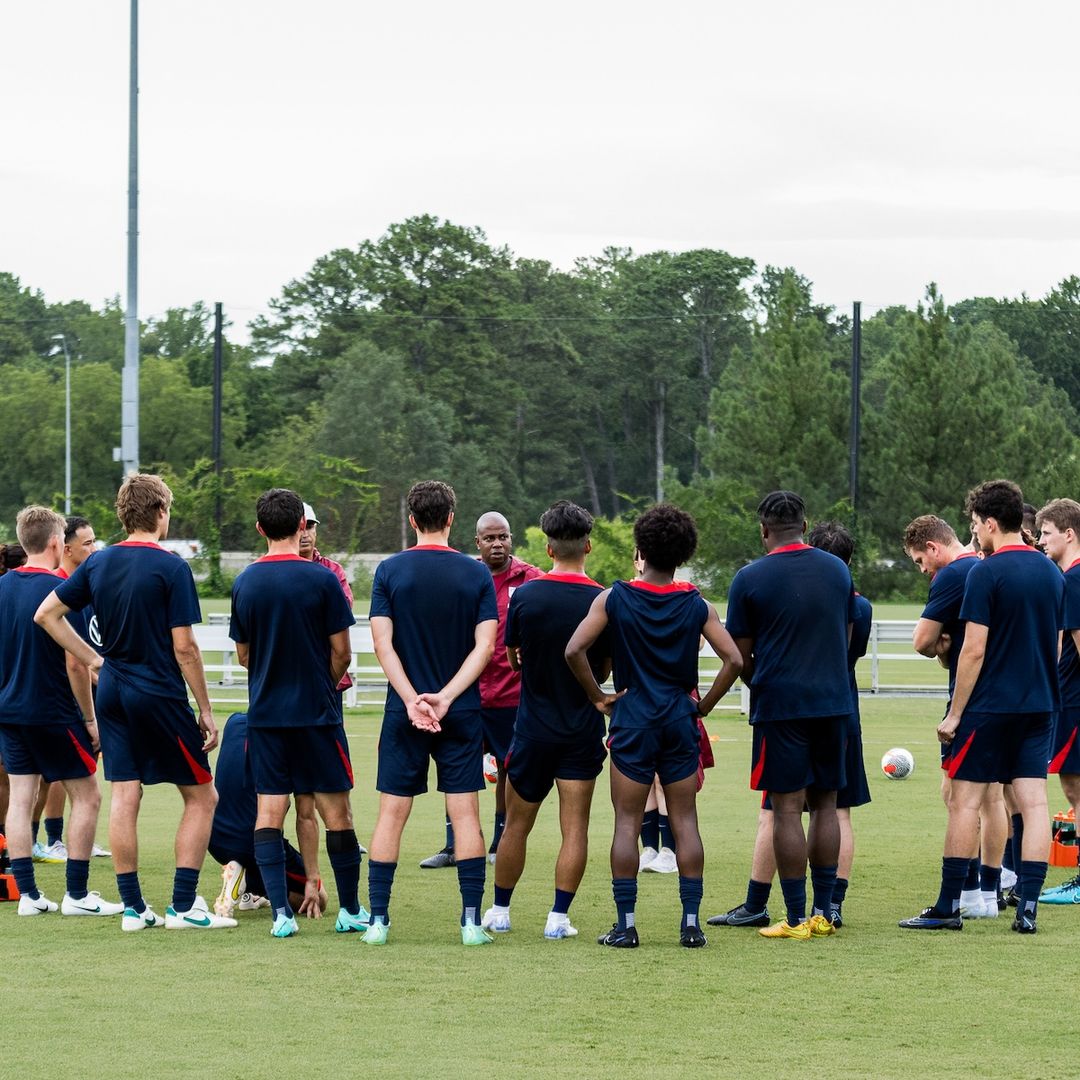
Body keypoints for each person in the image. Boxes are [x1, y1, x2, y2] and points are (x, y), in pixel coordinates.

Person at [35, 473, 236, 931]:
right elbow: (185, 646)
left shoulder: (99, 563)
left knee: (126, 794)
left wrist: (94, 660)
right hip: (158, 694)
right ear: (161, 512)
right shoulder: (171, 566)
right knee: (203, 796)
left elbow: (46, 614)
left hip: (113, 694)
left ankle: (133, 909)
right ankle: (184, 906)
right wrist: (205, 709)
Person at [566, 503, 743, 949]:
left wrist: (597, 697)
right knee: (685, 820)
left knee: (627, 822)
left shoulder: (614, 597)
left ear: (640, 550)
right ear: (683, 554)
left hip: (633, 718)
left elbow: (574, 651)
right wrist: (702, 707)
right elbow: (735, 660)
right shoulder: (696, 604)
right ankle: (690, 924)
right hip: (678, 718)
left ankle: (626, 925)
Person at [901, 480, 1063, 933]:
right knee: (1033, 804)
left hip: (989, 707)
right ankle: (1027, 909)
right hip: (1040, 705)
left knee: (965, 803)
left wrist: (955, 714)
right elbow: (1053, 645)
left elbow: (972, 650)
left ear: (990, 523)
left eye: (975, 524)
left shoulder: (984, 573)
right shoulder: (1052, 572)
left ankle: (949, 906)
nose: (975, 533)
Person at [707, 520, 871, 930]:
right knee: (828, 808)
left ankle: (795, 915)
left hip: (782, 708)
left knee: (784, 811)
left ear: (764, 529)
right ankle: (824, 911)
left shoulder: (751, 576)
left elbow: (739, 654)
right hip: (835, 705)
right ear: (802, 525)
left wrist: (761, 686)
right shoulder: (838, 572)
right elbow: (847, 641)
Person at [366, 480, 498, 945]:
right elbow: (485, 647)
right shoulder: (477, 573)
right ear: (450, 520)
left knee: (390, 816)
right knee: (465, 816)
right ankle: (469, 923)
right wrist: (445, 697)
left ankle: (379, 922)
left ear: (412, 520)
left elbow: (383, 645)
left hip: (404, 713)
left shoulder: (389, 571)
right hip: (460, 712)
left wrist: (411, 699)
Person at [229, 488, 359, 938]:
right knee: (336, 813)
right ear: (302, 527)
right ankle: (352, 911)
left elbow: (244, 654)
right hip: (317, 716)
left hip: (265, 716)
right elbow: (342, 651)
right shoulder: (322, 580)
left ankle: (281, 914)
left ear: (261, 529)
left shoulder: (245, 581)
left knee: (269, 811)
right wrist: (320, 683)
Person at [479, 501, 609, 939]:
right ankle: (558, 917)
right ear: (587, 546)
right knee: (575, 827)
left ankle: (499, 910)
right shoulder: (602, 600)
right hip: (582, 729)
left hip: (532, 728)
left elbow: (513, 658)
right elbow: (603, 670)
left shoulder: (526, 595)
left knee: (517, 823)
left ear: (549, 548)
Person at [0, 506, 121, 918]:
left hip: (10, 711)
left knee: (20, 798)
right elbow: (78, 663)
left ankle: (30, 896)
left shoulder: (1, 587)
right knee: (87, 796)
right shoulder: (65, 591)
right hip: (53, 711)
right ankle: (77, 894)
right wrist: (90, 720)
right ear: (56, 543)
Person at [421, 511, 541, 869]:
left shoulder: (531, 578)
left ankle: (499, 842)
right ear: (477, 542)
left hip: (512, 694)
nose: (497, 544)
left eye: (502, 536)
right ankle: (453, 844)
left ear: (511, 538)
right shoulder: (467, 576)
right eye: (489, 538)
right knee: (459, 764)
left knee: (508, 768)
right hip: (468, 692)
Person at [905, 514, 1006, 918]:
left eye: (918, 560)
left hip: (970, 701)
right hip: (1005, 696)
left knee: (956, 797)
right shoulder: (988, 567)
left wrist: (938, 647)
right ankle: (988, 893)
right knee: (994, 797)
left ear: (933, 547)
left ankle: (961, 896)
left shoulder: (952, 574)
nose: (923, 569)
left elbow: (921, 641)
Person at [209, 711, 329, 918]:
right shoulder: (290, 737)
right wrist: (312, 877)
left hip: (213, 838)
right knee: (320, 898)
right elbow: (305, 816)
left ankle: (249, 890)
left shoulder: (234, 721)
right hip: (252, 840)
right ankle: (249, 880)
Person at [1035, 498, 1080, 905]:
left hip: (1076, 702)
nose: (1041, 540)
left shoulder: (1074, 579)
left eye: (1046, 532)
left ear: (1068, 534)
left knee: (1077, 789)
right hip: (1070, 699)